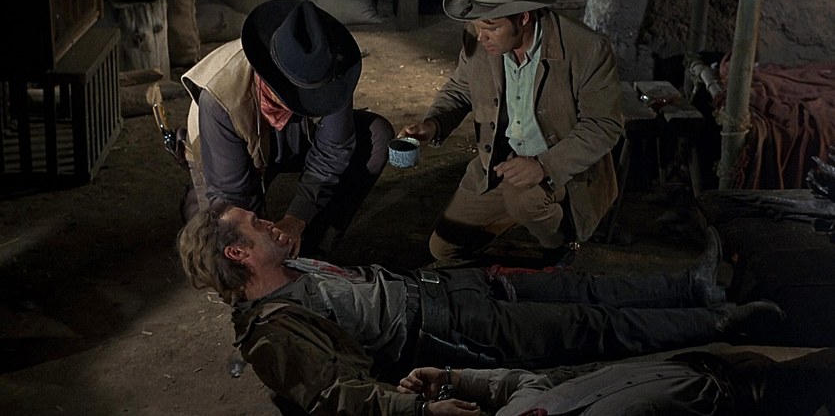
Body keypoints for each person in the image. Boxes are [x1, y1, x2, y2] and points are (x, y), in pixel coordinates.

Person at [177, 202, 786, 414]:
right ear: (239, 253)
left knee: (580, 288)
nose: (271, 223)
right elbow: (339, 396)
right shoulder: (273, 333)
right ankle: (718, 323)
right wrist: (421, 410)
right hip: (454, 328)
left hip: (448, 288)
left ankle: (694, 286)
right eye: (256, 225)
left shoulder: (290, 267)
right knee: (590, 326)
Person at [398, 0, 624, 265]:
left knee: (523, 199)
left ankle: (560, 243)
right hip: (499, 163)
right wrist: (433, 124)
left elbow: (604, 125)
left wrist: (544, 165)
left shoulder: (587, 48)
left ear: (523, 17)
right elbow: (461, 88)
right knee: (443, 249)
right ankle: (514, 224)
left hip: (561, 169)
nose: (481, 36)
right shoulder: (479, 37)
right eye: (477, 25)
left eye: (491, 27)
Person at [180, 0, 394, 258]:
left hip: (297, 137)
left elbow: (334, 149)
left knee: (376, 136)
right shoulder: (219, 98)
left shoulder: (328, 69)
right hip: (232, 152)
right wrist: (262, 248)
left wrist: (296, 219)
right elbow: (233, 195)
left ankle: (314, 249)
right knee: (220, 237)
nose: (314, 100)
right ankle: (196, 201)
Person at [397, 348, 835, 416]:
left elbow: (526, 383)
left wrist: (453, 377)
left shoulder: (517, 412)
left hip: (695, 364)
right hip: (735, 399)